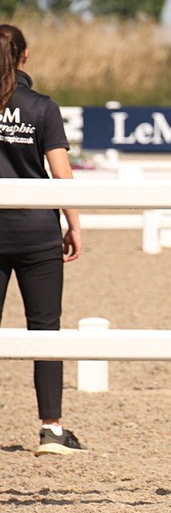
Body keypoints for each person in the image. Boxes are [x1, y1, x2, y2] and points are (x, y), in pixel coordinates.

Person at [0, 24, 86, 456]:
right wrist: (74, 224)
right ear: (25, 56)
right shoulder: (42, 107)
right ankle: (51, 428)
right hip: (36, 233)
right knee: (45, 329)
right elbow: (61, 174)